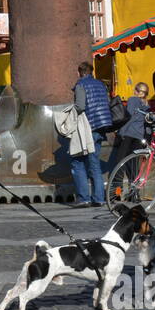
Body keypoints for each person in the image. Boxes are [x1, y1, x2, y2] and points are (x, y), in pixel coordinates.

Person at [69, 61, 112, 208]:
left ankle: (83, 198)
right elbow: (107, 102)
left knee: (78, 161)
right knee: (94, 163)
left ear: (80, 72)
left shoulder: (81, 85)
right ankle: (99, 198)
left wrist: (70, 113)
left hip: (88, 128)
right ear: (91, 71)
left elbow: (80, 106)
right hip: (101, 127)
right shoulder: (100, 84)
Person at [105, 82, 151, 174]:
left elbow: (129, 118)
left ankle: (117, 186)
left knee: (120, 161)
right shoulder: (146, 105)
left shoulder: (132, 100)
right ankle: (134, 185)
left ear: (136, 91)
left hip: (128, 134)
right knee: (133, 162)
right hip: (139, 136)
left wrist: (121, 132)